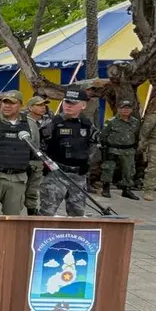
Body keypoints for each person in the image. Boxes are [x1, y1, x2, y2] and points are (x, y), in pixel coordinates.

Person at [39, 87, 97, 216]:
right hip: (56, 174)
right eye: (66, 102)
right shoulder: (52, 123)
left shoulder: (87, 124)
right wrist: (47, 164)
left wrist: (87, 162)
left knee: (77, 215)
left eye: (73, 103)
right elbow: (39, 146)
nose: (68, 106)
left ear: (83, 105)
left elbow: (94, 145)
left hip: (78, 176)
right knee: (46, 214)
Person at [100, 100, 140, 200]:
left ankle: (126, 190)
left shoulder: (135, 122)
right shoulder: (111, 121)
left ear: (131, 110)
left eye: (128, 108)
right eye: (123, 108)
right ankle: (106, 188)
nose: (126, 110)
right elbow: (103, 136)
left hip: (128, 150)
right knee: (108, 169)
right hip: (113, 149)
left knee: (129, 170)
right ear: (119, 109)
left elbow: (136, 134)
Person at [25, 96, 51, 214]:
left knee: (33, 189)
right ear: (30, 107)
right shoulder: (24, 122)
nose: (43, 107)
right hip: (25, 160)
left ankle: (31, 211)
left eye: (44, 105)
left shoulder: (48, 122)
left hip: (39, 160)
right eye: (39, 105)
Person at [139, 101, 156, 201]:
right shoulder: (153, 117)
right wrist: (143, 147)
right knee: (153, 169)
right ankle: (148, 190)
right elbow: (144, 133)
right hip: (154, 145)